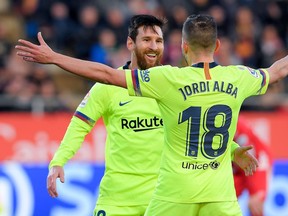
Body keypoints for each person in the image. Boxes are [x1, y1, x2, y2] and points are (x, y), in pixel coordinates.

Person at [15, 14, 285, 215]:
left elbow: (196, 129)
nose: (154, 46)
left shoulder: (168, 83)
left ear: (179, 46)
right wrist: (59, 160)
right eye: (146, 40)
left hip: (164, 198)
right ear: (130, 43)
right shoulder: (115, 88)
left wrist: (232, 149)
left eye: (158, 40)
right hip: (118, 200)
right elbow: (80, 124)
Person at [233, 116, 272, 216]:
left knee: (256, 204)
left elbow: (251, 160)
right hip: (232, 166)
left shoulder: (237, 127)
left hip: (256, 161)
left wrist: (257, 192)